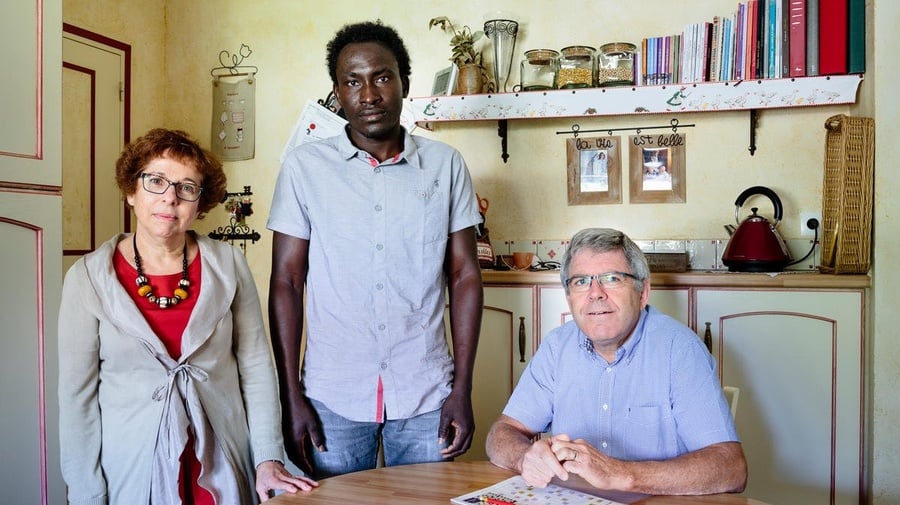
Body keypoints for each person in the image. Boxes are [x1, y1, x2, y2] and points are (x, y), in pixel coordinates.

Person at [267, 20, 484, 479]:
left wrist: (462, 388)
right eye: (353, 81)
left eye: (382, 77)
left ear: (404, 80)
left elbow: (465, 276)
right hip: (332, 397)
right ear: (337, 91)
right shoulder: (304, 168)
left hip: (427, 393)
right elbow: (287, 282)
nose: (369, 95)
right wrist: (292, 397)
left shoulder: (444, 165)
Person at [58, 128, 318, 504]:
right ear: (131, 192)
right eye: (156, 181)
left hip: (222, 461)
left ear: (199, 204)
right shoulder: (88, 278)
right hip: (130, 469)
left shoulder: (228, 264)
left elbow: (257, 366)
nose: (170, 198)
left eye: (186, 187)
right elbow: (76, 397)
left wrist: (267, 458)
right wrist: (85, 492)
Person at [485, 228, 747, 496]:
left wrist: (619, 474)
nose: (595, 293)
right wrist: (525, 457)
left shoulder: (680, 351)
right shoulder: (556, 347)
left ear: (643, 292)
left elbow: (731, 468)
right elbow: (502, 433)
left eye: (611, 278)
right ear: (569, 298)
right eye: (581, 281)